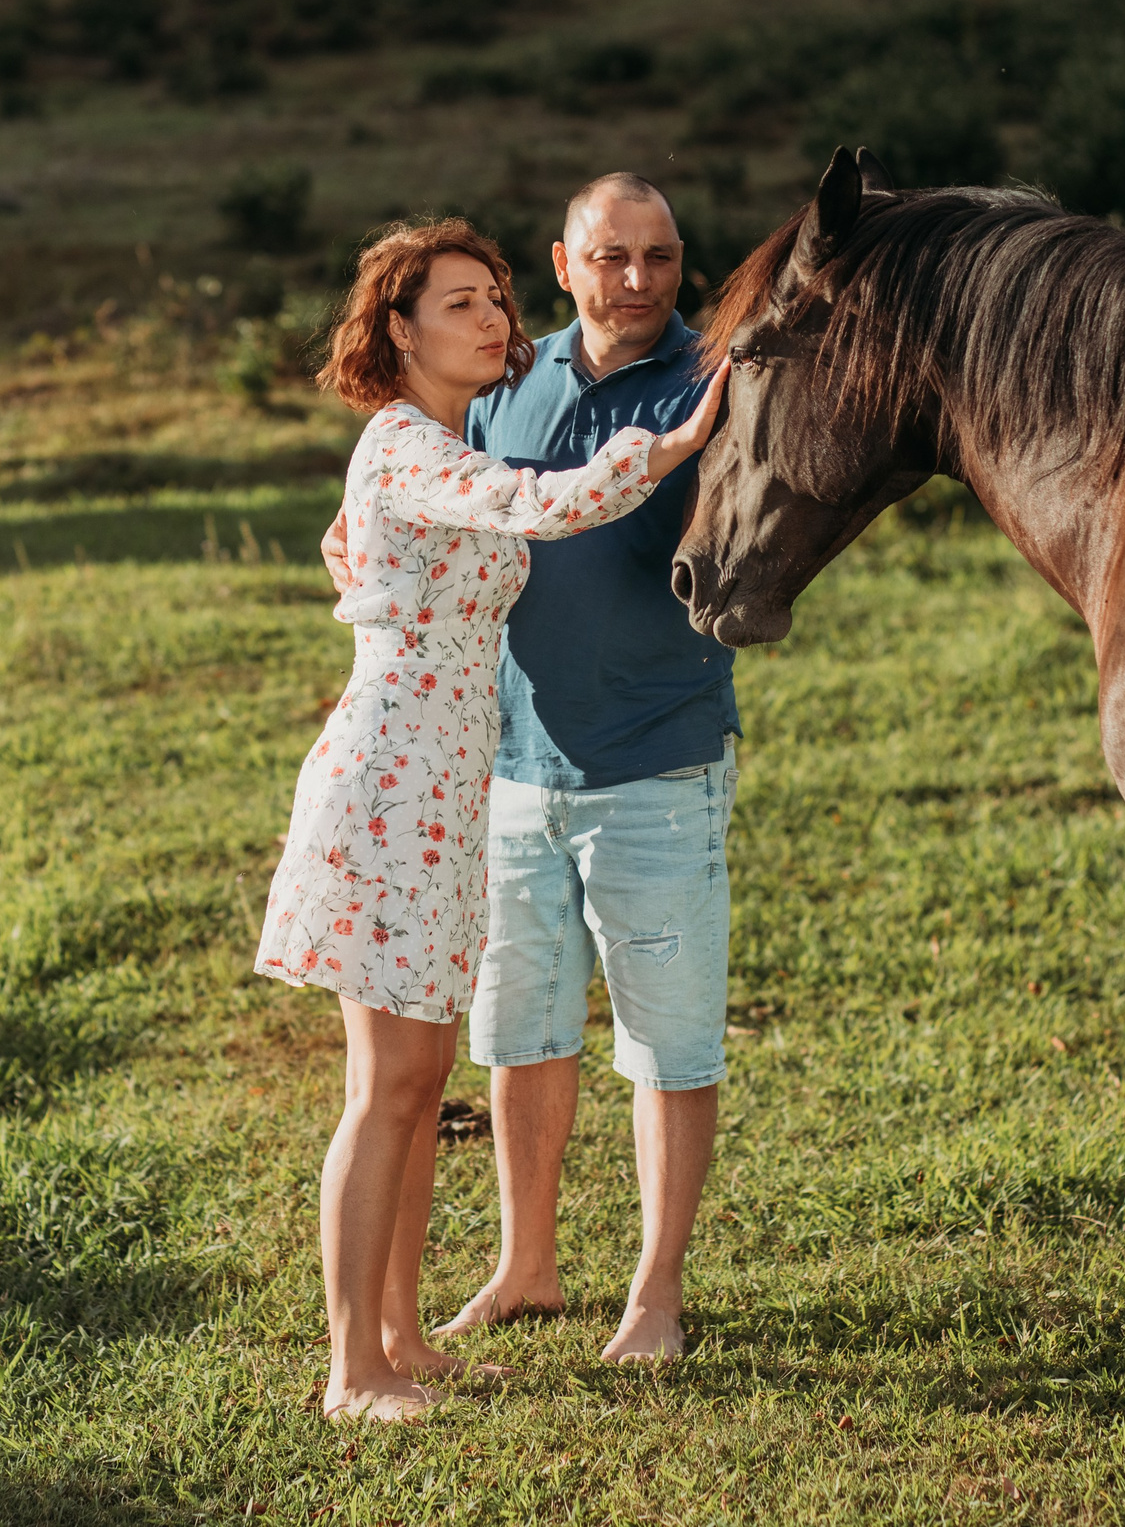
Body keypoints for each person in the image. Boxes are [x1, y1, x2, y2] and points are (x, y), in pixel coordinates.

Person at [259, 217, 729, 1422]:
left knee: (417, 1082)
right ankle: (348, 1369)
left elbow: (373, 539)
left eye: (494, 298)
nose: (489, 318)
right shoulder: (411, 443)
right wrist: (669, 441)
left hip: (440, 788)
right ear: (397, 328)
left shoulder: (422, 446)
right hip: (391, 786)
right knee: (386, 1086)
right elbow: (547, 503)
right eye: (458, 302)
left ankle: (401, 1335)